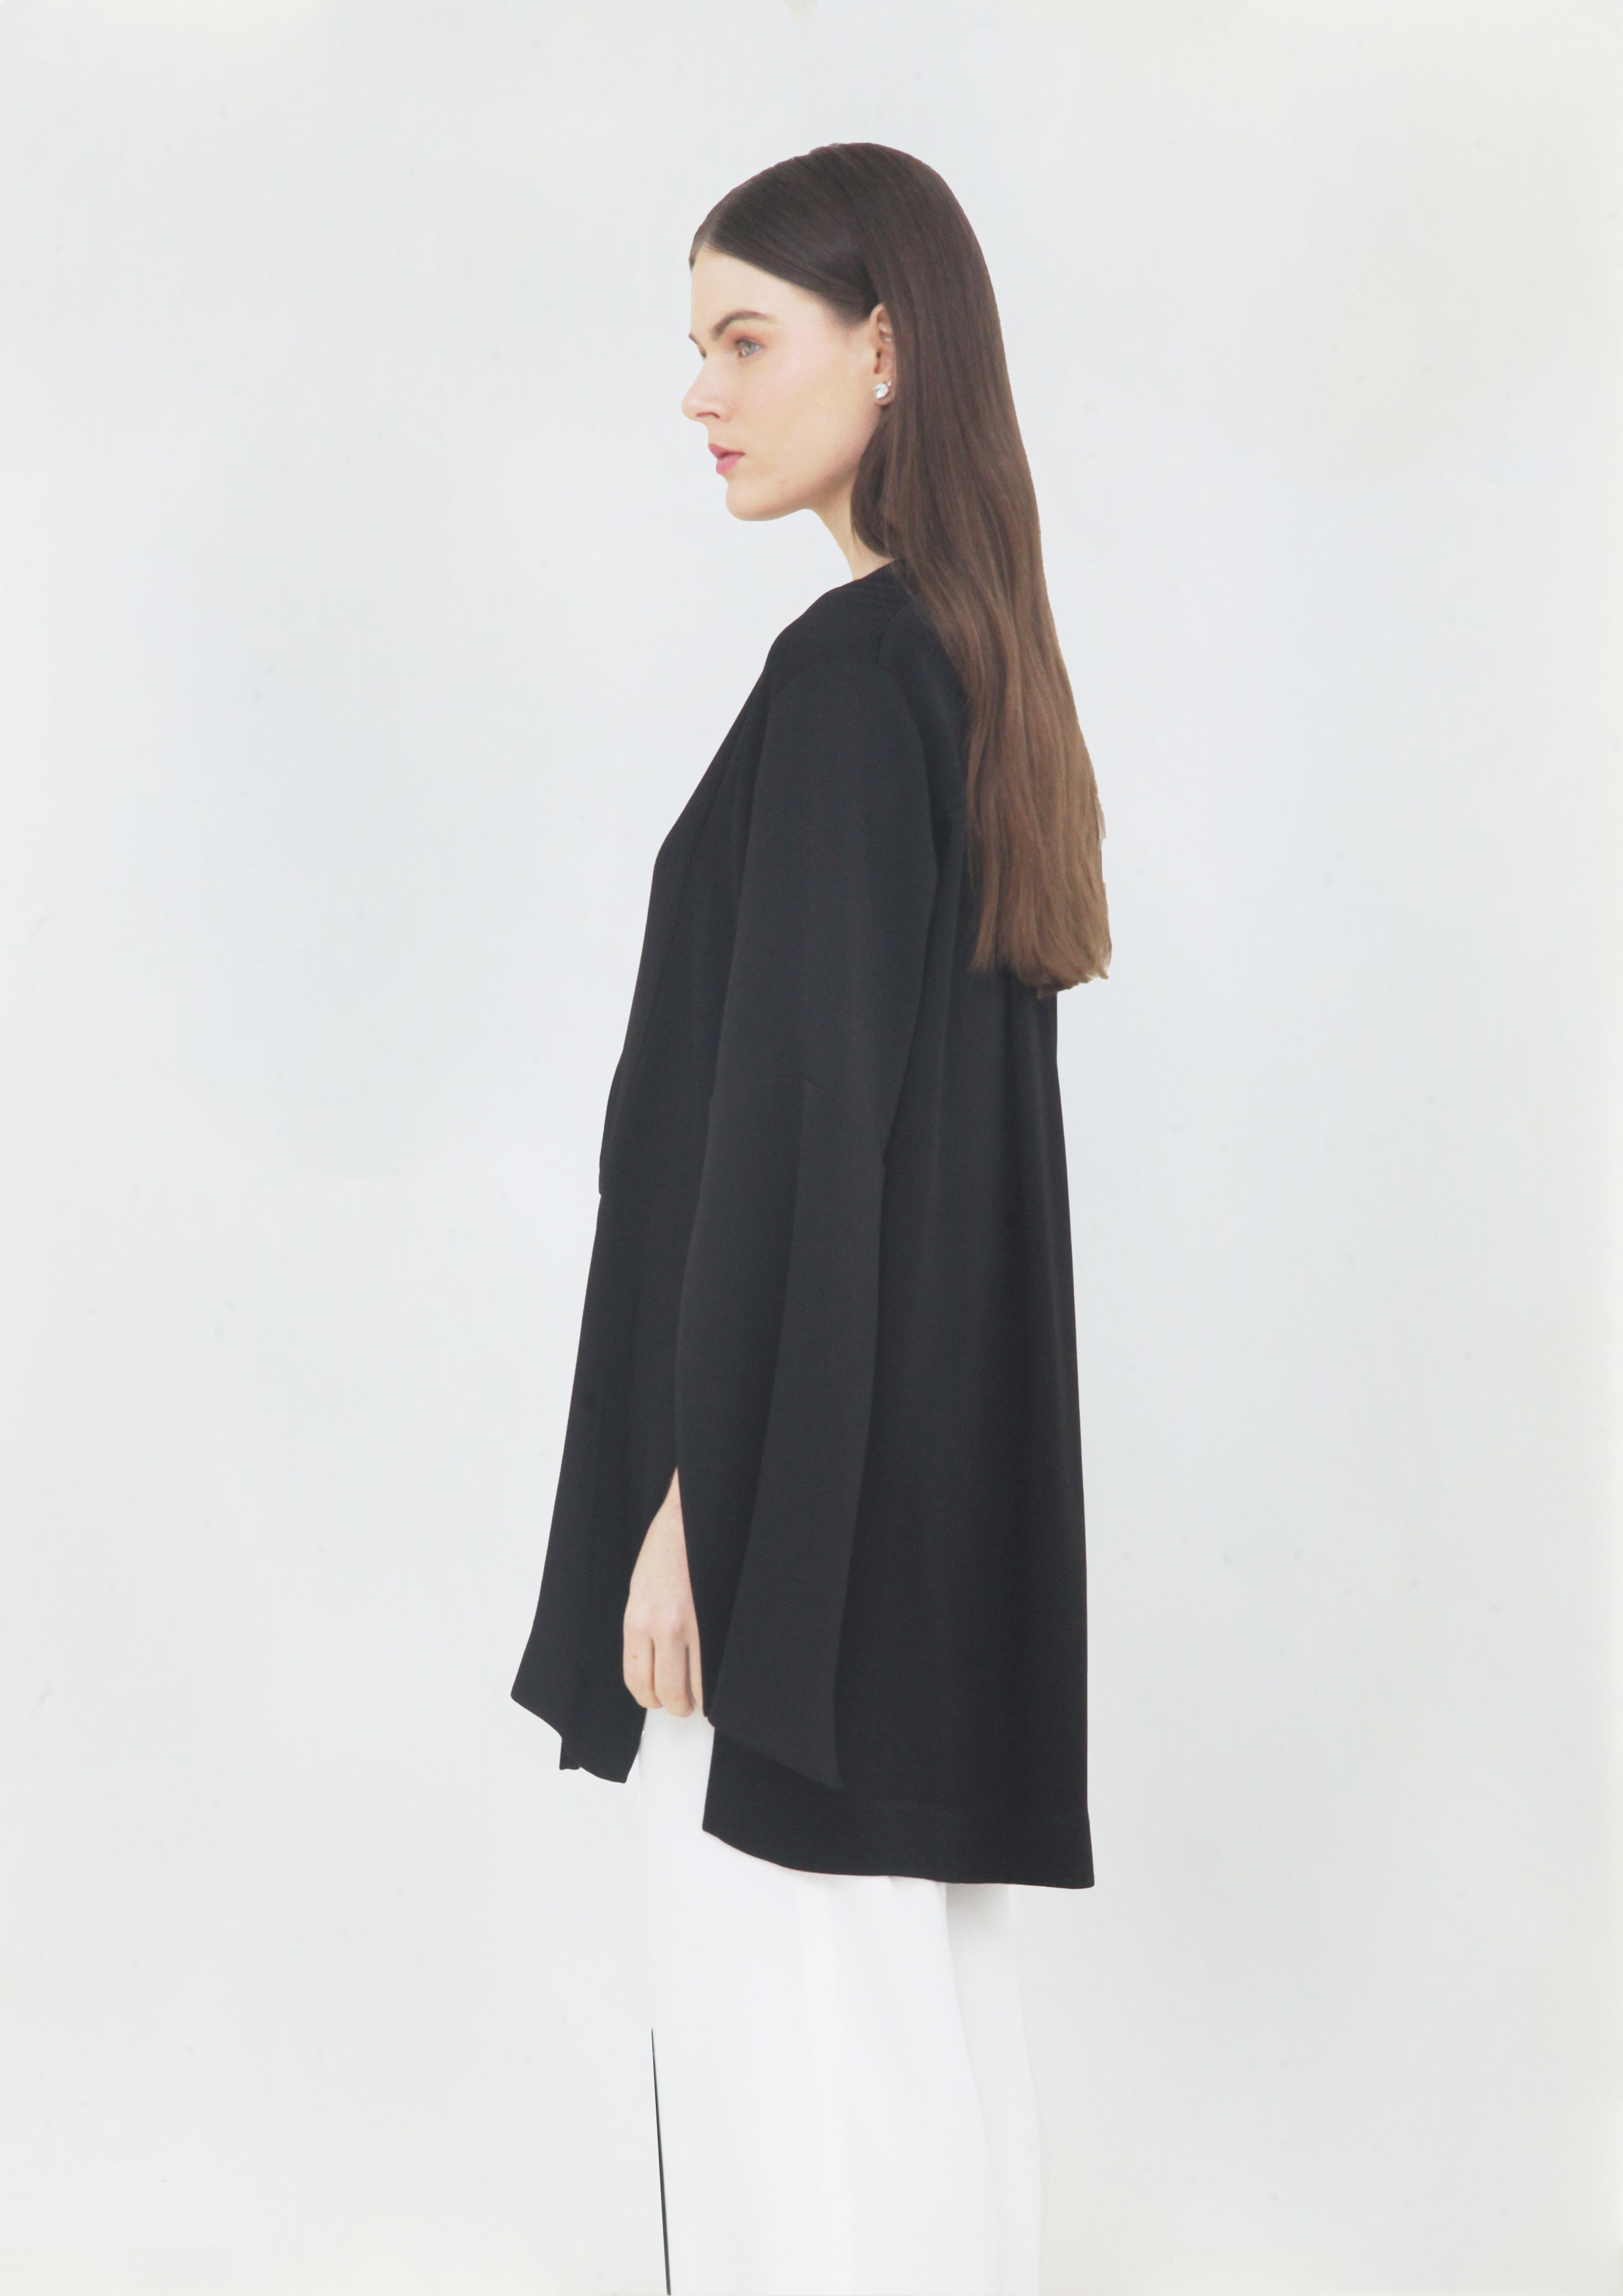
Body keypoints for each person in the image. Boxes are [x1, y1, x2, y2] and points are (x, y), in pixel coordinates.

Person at [510, 139, 1110, 2296]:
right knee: (908, 2062)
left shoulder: (858, 681)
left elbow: (804, 1131)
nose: (701, 392)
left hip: (795, 1538)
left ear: (886, 349)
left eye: (744, 339)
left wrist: (710, 1498)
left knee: (801, 2093)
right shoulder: (964, 668)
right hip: (905, 1516)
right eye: (696, 346)